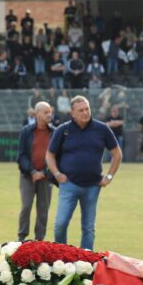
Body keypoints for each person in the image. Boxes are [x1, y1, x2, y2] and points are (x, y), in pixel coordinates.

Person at [46, 96, 122, 250]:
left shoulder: (102, 129)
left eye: (87, 108)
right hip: (68, 185)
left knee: (88, 228)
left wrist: (109, 177)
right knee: (60, 224)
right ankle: (62, 257)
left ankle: (86, 261)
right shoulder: (63, 130)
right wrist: (57, 174)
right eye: (81, 110)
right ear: (72, 113)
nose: (85, 112)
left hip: (93, 186)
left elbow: (117, 154)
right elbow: (50, 155)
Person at [17, 102, 54, 242]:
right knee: (26, 206)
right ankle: (21, 238)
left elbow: (57, 156)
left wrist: (43, 172)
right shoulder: (26, 131)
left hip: (46, 177)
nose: (49, 114)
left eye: (50, 111)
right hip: (28, 176)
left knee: (43, 210)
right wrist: (33, 172)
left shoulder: (54, 132)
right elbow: (21, 156)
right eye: (45, 112)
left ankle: (39, 239)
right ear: (37, 114)